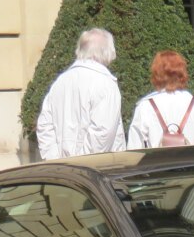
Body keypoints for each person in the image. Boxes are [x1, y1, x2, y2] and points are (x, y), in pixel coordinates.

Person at [35, 28, 127, 159]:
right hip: (98, 170)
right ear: (107, 52)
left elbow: (44, 126)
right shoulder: (106, 84)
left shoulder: (60, 82)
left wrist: (55, 160)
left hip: (64, 169)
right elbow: (102, 133)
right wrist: (82, 163)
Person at [127, 50, 194, 149]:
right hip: (190, 162)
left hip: (155, 162)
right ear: (182, 73)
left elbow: (134, 147)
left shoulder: (145, 106)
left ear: (156, 74)